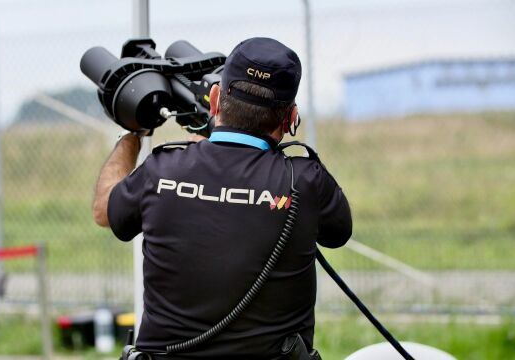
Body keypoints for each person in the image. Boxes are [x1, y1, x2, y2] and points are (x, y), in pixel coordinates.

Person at [93, 38, 352, 359]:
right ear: (290, 118)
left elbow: (105, 210)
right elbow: (338, 233)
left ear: (215, 98)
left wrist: (131, 134)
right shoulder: (306, 181)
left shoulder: (161, 170)